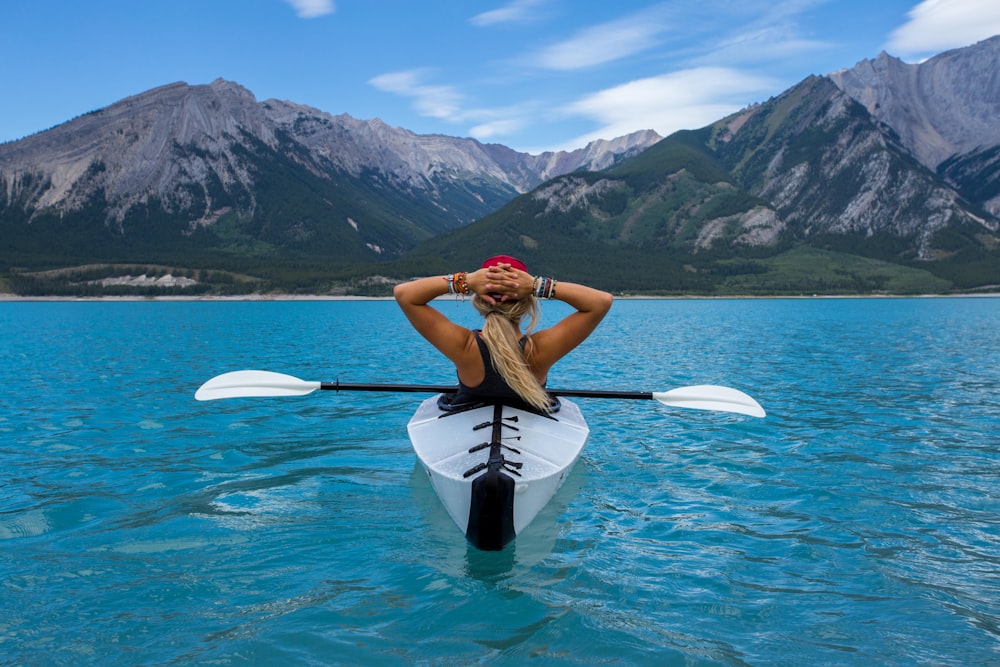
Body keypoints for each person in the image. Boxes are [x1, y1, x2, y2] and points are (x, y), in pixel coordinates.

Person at [393, 255, 613, 412]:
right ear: (528, 302)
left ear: (479, 300)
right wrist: (538, 284)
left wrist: (466, 280)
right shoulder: (540, 349)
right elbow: (601, 302)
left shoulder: (463, 346)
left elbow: (404, 294)